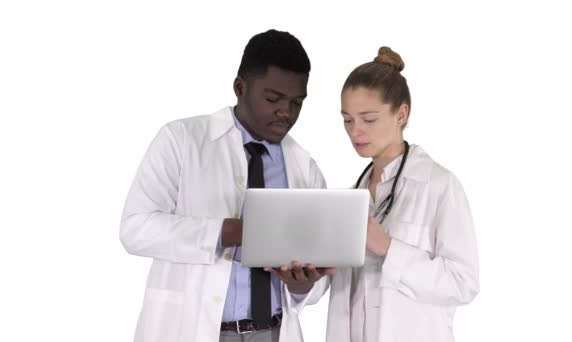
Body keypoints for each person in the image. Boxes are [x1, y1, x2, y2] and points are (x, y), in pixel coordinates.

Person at [119, 29, 333, 342]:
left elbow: (318, 270)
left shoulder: (304, 167)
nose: (286, 112)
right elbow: (135, 229)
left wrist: (303, 287)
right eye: (273, 99)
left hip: (272, 332)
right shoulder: (182, 140)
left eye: (296, 102)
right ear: (239, 87)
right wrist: (230, 231)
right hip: (194, 330)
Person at [322, 46, 480, 341]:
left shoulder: (439, 186)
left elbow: (463, 283)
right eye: (347, 119)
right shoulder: (351, 197)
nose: (355, 131)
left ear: (401, 114)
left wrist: (390, 249)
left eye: (368, 119)